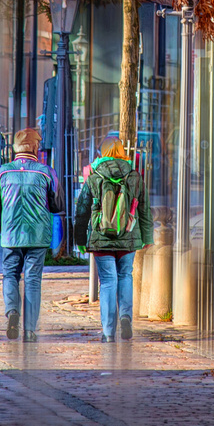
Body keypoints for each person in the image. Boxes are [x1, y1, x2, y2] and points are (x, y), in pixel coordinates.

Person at [73, 133, 153, 342]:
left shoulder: (94, 176)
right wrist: (147, 236)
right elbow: (144, 209)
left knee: (108, 281)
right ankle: (126, 317)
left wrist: (80, 240)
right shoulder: (134, 175)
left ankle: (109, 332)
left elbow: (82, 211)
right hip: (128, 235)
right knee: (125, 275)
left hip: (101, 237)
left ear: (103, 152)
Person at [0, 128, 60, 342]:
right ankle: (29, 330)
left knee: (10, 274)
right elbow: (58, 205)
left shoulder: (2, 172)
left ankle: (12, 312)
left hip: (10, 234)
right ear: (36, 148)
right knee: (33, 280)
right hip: (37, 236)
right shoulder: (46, 172)